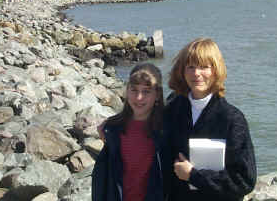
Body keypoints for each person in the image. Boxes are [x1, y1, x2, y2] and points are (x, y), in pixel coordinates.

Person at [163, 37, 257, 201]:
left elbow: (244, 180)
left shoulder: (232, 119)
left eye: (204, 67)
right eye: (190, 67)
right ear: (182, 71)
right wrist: (113, 124)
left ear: (216, 70)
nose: (196, 73)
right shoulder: (172, 109)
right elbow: (144, 125)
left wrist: (194, 175)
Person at [92, 63, 165, 201]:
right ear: (126, 90)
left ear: (158, 94)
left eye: (146, 91)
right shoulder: (112, 130)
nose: (139, 97)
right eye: (134, 90)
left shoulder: (166, 131)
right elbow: (102, 178)